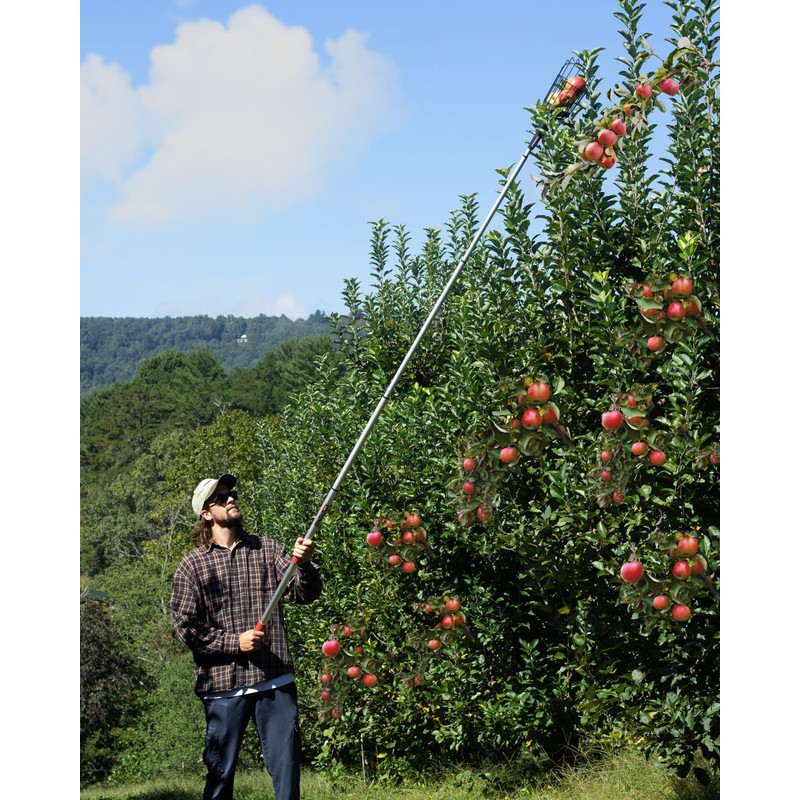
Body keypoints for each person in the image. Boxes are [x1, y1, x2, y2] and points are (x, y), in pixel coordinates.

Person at [170, 473, 322, 800]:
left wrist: (304, 566)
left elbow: (304, 593)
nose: (230, 499)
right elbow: (184, 627)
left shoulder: (266, 549)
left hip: (274, 680)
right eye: (221, 497)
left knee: (287, 774)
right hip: (222, 687)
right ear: (206, 514)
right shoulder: (192, 566)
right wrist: (232, 643)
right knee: (220, 776)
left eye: (231, 493)